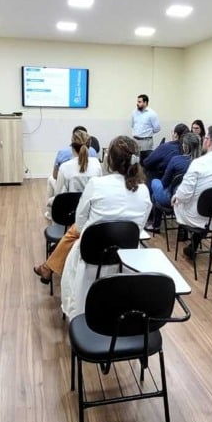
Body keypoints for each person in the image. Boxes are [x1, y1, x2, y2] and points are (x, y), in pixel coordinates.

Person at [58, 136, 152, 318]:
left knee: (73, 258)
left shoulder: (96, 185)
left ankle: (78, 316)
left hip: (91, 256)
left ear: (109, 160)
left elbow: (79, 222)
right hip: (126, 258)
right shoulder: (144, 190)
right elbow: (139, 227)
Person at [173, 126, 212, 259]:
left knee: (178, 199)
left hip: (196, 217)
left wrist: (175, 197)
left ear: (208, 141)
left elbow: (184, 195)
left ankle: (186, 238)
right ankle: (193, 245)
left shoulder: (198, 163)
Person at [146, 132, 201, 231]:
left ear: (185, 146)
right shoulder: (202, 163)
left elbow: (164, 183)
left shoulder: (176, 160)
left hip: (172, 199)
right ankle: (182, 228)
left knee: (155, 182)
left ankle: (155, 225)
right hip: (194, 200)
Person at [49, 128, 103, 205]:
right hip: (90, 206)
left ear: (72, 147)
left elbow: (59, 195)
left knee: (51, 182)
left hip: (70, 208)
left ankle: (50, 213)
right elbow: (99, 189)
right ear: (89, 146)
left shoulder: (64, 167)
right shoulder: (96, 164)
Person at [131, 94, 161, 162]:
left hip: (146, 141)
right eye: (137, 101)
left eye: (139, 102)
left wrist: (147, 133)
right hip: (135, 140)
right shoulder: (134, 113)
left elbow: (157, 128)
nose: (137, 103)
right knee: (135, 161)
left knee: (145, 161)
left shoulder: (152, 114)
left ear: (145, 102)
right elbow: (132, 125)